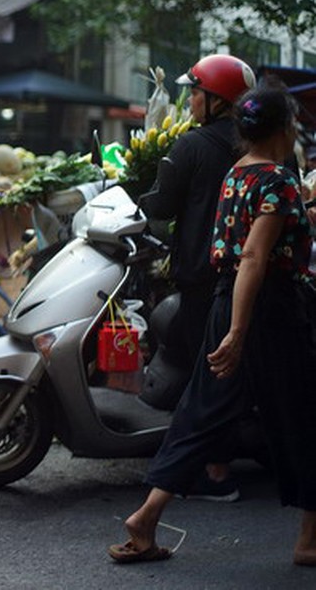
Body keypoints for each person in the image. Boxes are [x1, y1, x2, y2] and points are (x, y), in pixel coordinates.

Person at [109, 79, 316, 566]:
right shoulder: (280, 180)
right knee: (306, 417)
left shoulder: (238, 174)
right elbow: (255, 258)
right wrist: (240, 333)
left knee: (201, 414)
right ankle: (308, 540)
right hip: (269, 312)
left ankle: (144, 519)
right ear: (283, 129)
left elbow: (256, 241)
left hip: (228, 303)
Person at [138, 53, 255, 501]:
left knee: (205, 373)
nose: (189, 101)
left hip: (203, 275)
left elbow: (162, 206)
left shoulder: (192, 145)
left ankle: (214, 469)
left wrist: (139, 194)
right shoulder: (256, 146)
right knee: (226, 368)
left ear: (217, 100)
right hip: (248, 275)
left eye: (195, 93)